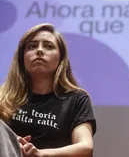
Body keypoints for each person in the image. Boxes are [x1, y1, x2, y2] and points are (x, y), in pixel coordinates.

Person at [0, 23, 96, 157]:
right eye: (32, 46)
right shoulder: (2, 96)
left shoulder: (76, 99)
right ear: (22, 58)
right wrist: (8, 140)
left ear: (61, 58)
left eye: (48, 46)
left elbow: (85, 148)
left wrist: (41, 153)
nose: (39, 50)